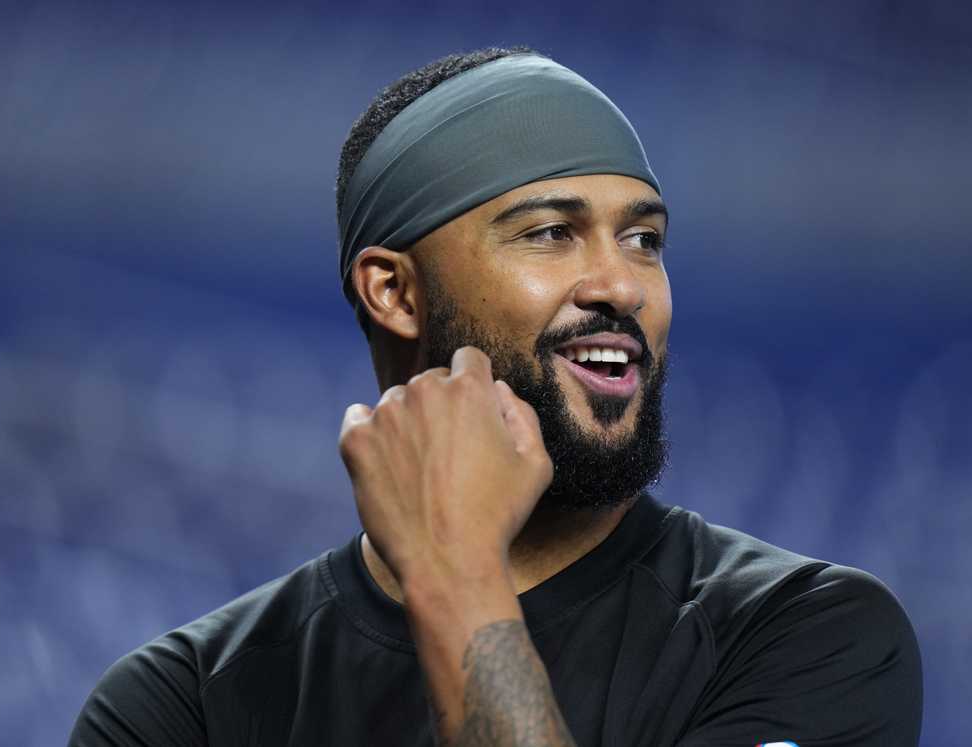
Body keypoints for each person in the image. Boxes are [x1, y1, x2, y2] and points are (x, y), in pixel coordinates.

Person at [69, 47, 922, 746]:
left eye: (643, 239)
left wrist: (456, 576)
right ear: (394, 291)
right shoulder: (183, 706)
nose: (622, 285)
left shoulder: (807, 635)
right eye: (551, 233)